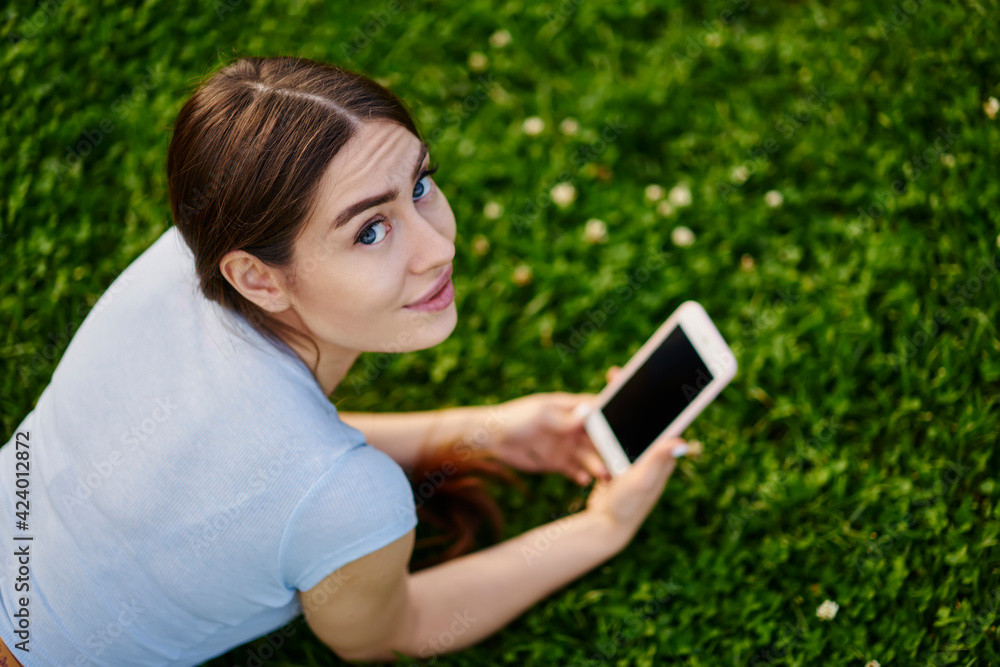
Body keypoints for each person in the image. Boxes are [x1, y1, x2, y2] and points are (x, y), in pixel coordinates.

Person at [0, 55, 688, 665]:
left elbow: (266, 467)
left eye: (419, 185)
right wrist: (601, 527)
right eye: (370, 230)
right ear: (259, 277)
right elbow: (390, 629)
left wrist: (490, 429)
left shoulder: (175, 264)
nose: (437, 248)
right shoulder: (347, 499)